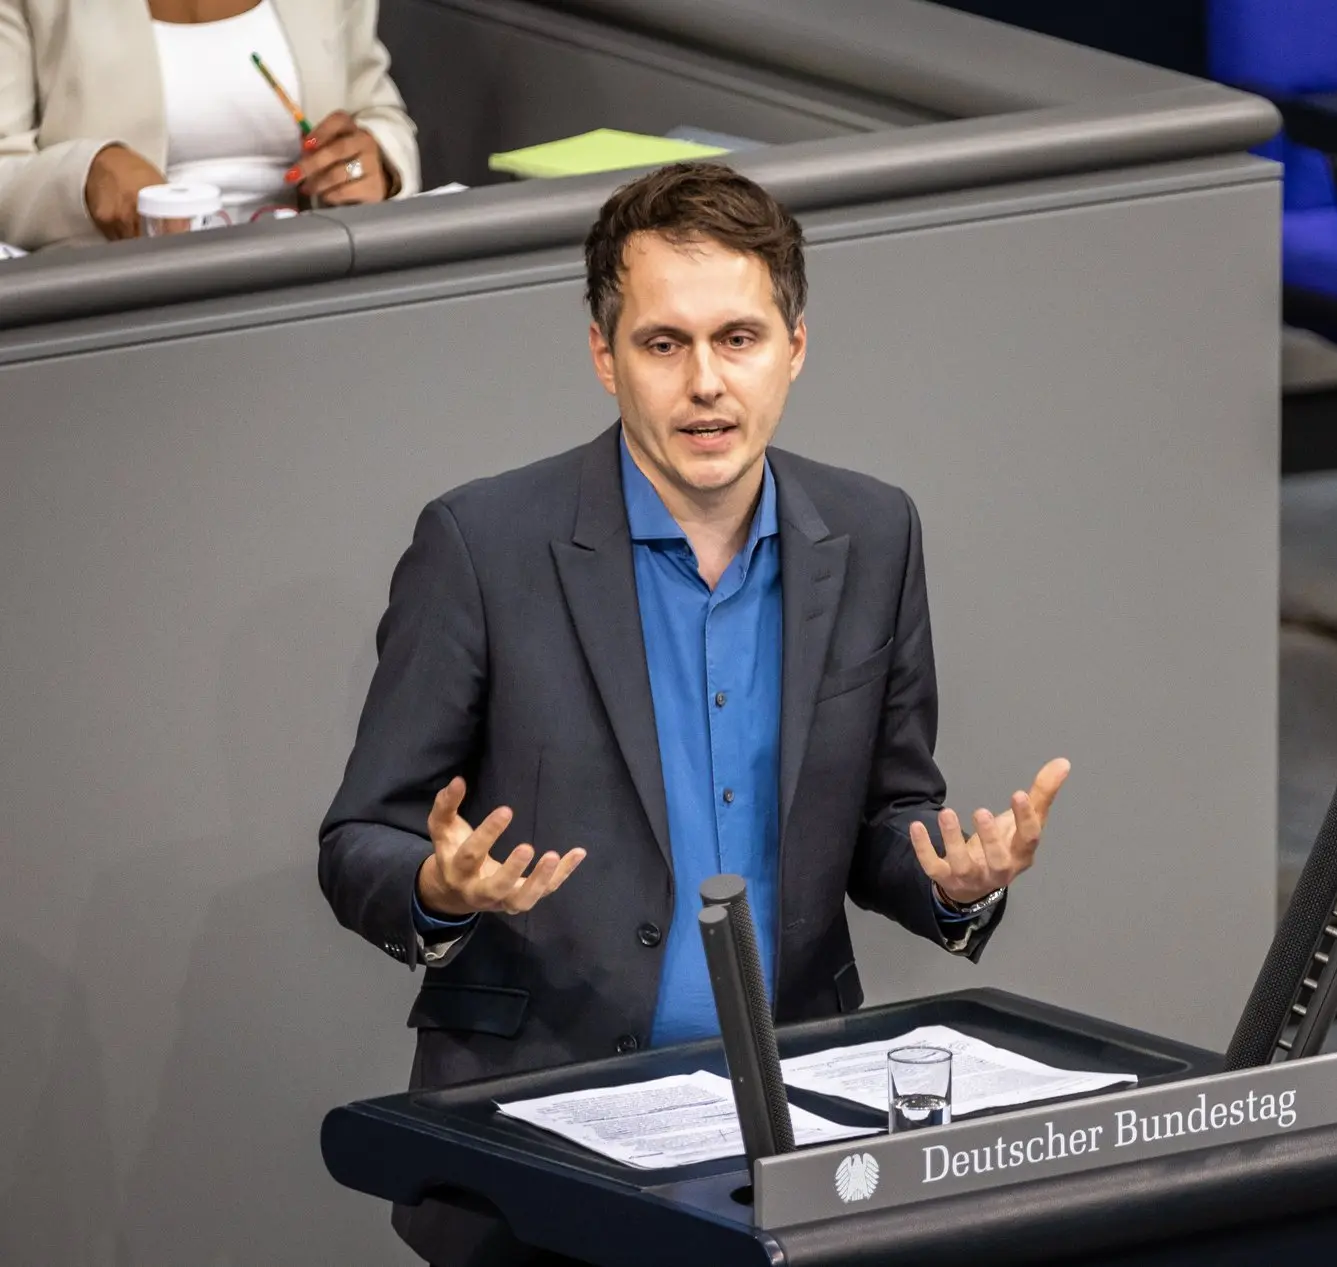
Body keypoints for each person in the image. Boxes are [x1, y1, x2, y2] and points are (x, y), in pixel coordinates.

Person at [319, 161, 1071, 1266]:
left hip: (796, 1127)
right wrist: (437, 888)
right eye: (663, 344)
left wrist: (951, 880)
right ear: (603, 356)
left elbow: (885, 811)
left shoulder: (872, 534)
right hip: (546, 1131)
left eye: (739, 338)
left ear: (795, 348)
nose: (705, 383)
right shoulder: (482, 545)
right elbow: (356, 841)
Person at [0, 0, 418, 250]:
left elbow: (379, 114)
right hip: (123, 304)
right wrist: (86, 177)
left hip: (313, 277)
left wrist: (374, 164)